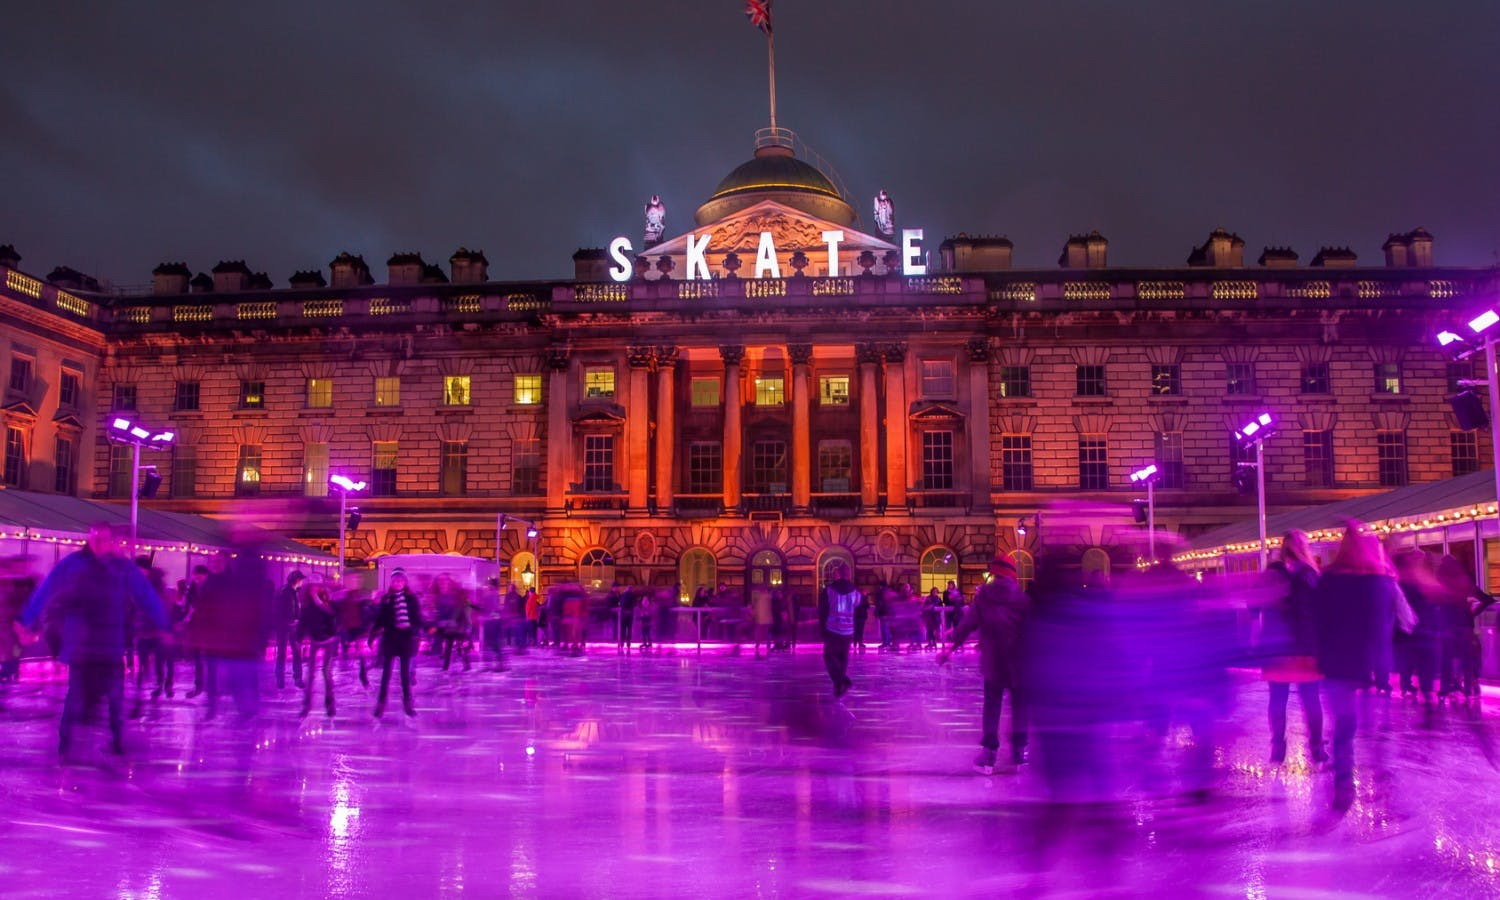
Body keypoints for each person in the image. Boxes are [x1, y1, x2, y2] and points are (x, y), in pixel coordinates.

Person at [21, 522, 167, 756]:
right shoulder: (75, 565)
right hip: (83, 646)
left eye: (104, 539)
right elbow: (48, 591)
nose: (99, 543)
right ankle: (66, 745)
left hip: (110, 645)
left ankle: (116, 742)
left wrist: (163, 624)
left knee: (113, 698)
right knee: (77, 696)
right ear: (89, 539)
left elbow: (145, 595)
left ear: (110, 541)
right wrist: (27, 620)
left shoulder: (121, 568)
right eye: (95, 538)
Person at [1312, 522, 1408, 812]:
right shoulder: (1380, 582)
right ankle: (1383, 777)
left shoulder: (1328, 580)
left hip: (1336, 665)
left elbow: (1318, 623)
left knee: (1344, 726)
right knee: (1373, 728)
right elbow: (1386, 627)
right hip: (1368, 666)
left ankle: (1344, 783)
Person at [938, 556, 1031, 773]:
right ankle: (1019, 753)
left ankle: (989, 755)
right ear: (1012, 574)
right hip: (1019, 662)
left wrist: (949, 649)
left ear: (994, 572)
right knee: (1020, 707)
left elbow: (967, 625)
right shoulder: (1022, 599)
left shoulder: (984, 598)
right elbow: (1033, 632)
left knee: (992, 706)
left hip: (993, 662)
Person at [1258, 530, 1327, 765]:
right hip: (1306, 646)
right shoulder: (1310, 574)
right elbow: (1321, 610)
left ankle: (1278, 745)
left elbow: (1255, 606)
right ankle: (1317, 747)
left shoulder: (1271, 573)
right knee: (1311, 699)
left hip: (1277, 646)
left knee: (1277, 699)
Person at [371, 571, 423, 718]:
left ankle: (407, 703)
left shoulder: (411, 599)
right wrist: (373, 634)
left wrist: (417, 630)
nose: (397, 583)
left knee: (405, 674)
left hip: (405, 640)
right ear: (391, 583)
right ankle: (381, 703)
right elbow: (381, 618)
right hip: (390, 639)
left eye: (400, 581)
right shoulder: (387, 599)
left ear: (405, 582)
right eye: (395, 581)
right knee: (386, 673)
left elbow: (417, 618)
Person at [298, 581, 340, 717]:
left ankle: (330, 704)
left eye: (317, 586)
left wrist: (317, 600)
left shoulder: (328, 602)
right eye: (312, 587)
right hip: (315, 641)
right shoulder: (307, 607)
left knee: (327, 673)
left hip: (329, 641)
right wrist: (298, 640)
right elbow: (302, 623)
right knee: (310, 674)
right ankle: (306, 705)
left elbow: (331, 614)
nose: (314, 589)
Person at [819, 562, 860, 698]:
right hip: (848, 630)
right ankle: (839, 684)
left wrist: (822, 628)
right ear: (848, 575)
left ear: (838, 574)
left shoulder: (829, 590)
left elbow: (822, 610)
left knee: (829, 656)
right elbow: (858, 606)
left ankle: (840, 681)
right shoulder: (855, 591)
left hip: (832, 629)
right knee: (843, 658)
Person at [273, 570, 306, 691]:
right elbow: (278, 609)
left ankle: (297, 678)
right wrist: (287, 620)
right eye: (301, 579)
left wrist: (297, 620)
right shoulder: (285, 592)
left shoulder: (295, 592)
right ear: (297, 580)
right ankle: (280, 679)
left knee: (297, 652)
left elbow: (296, 609)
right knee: (282, 653)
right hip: (284, 627)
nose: (302, 582)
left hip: (293, 626)